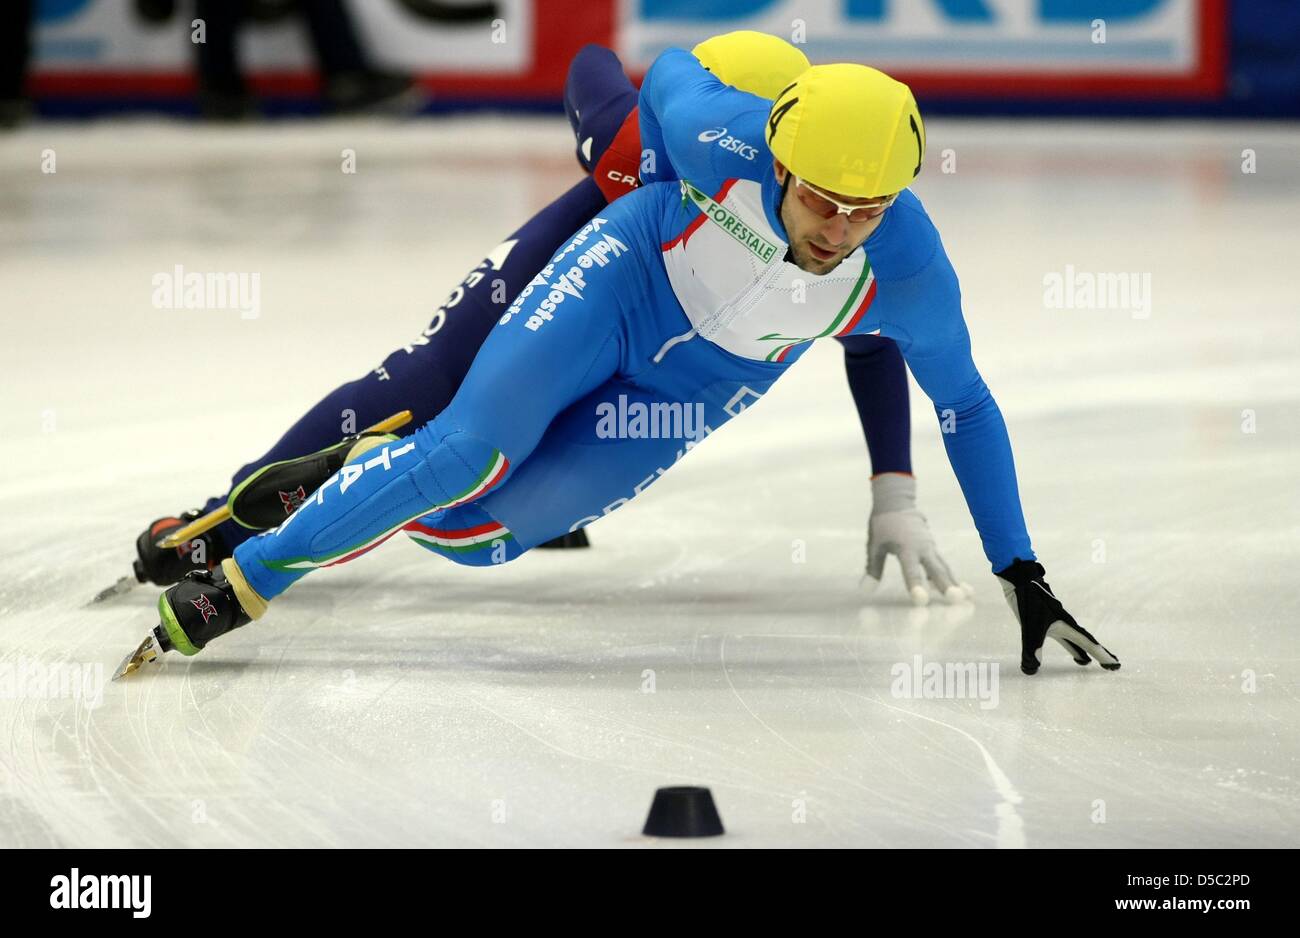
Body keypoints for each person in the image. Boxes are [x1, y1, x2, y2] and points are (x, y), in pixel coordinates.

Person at [129, 38, 1119, 681]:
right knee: (465, 443)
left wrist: (1018, 567)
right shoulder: (698, 133)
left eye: (870, 209)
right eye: (822, 201)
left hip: (697, 383)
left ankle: (355, 473)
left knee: (469, 535)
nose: (839, 230)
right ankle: (241, 579)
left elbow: (967, 404)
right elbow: (633, 64)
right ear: (777, 159)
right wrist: (622, 157)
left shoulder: (908, 272)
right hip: (625, 271)